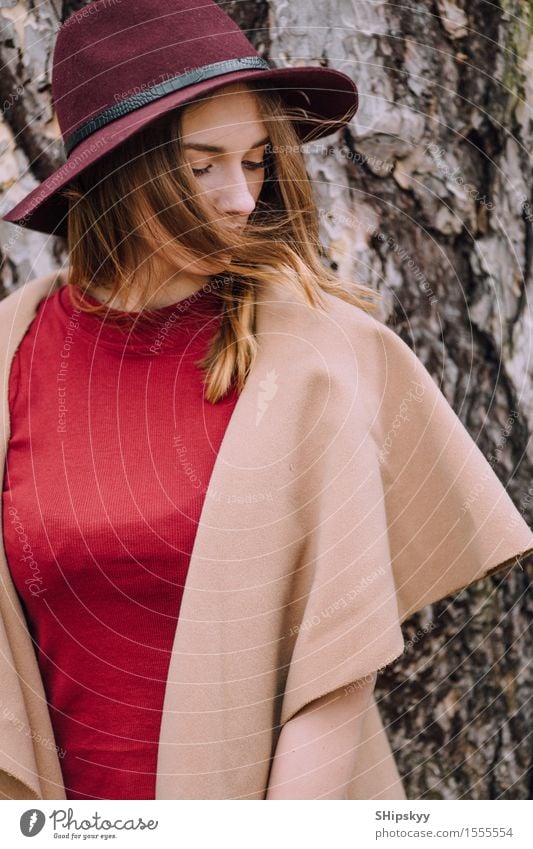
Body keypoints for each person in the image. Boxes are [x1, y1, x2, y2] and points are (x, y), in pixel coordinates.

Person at [1, 0, 532, 802]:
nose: (242, 199)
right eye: (202, 164)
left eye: (254, 161)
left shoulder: (316, 354)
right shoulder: (14, 350)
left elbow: (336, 673)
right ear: (117, 173)